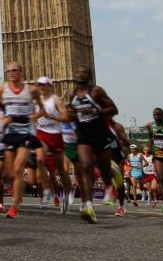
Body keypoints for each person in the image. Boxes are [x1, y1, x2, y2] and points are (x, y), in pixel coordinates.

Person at [69, 65, 118, 224]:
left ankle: (109, 185)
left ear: (89, 76)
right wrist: (71, 116)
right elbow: (73, 115)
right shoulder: (73, 94)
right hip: (84, 135)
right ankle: (88, 205)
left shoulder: (96, 91)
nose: (80, 75)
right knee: (86, 166)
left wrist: (97, 112)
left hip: (100, 133)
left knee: (104, 168)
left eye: (84, 73)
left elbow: (113, 109)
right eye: (78, 72)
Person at [0, 62, 43, 219]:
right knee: (10, 173)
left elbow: (42, 109)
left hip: (26, 133)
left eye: (15, 70)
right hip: (10, 134)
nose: (11, 73)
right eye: (8, 71)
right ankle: (18, 192)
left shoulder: (32, 90)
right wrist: (1, 118)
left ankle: (14, 206)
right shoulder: (3, 90)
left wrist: (35, 116)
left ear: (21, 72)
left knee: (17, 168)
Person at [32, 76, 73, 213]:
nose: (41, 87)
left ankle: (67, 193)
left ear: (50, 86)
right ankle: (47, 191)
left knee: (61, 169)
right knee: (39, 160)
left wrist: (52, 117)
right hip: (42, 133)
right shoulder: (36, 100)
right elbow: (34, 115)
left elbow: (66, 117)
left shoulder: (56, 99)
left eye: (43, 84)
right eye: (39, 84)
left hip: (55, 135)